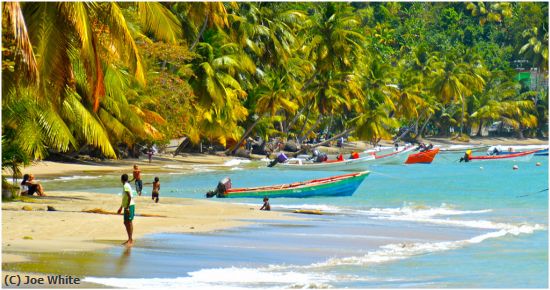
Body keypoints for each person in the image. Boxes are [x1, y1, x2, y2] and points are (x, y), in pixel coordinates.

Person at [117, 174, 135, 247]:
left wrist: (127, 207)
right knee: (126, 222)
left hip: (129, 206)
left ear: (121, 180)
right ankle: (129, 239)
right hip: (127, 206)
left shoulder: (126, 186)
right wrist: (121, 207)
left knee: (129, 222)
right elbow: (125, 197)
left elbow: (129, 197)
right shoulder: (126, 185)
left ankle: (130, 240)